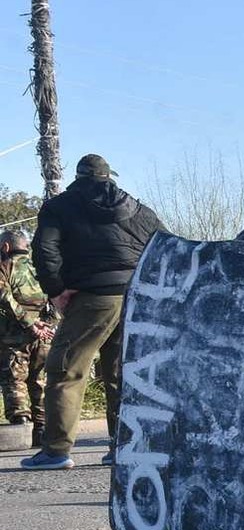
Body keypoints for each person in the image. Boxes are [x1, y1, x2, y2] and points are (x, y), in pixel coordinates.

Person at [23, 155, 165, 469]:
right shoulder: (140, 211)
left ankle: (56, 450)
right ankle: (121, 447)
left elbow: (45, 249)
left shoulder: (60, 207)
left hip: (92, 296)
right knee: (121, 372)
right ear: (108, 177)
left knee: (66, 368)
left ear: (78, 176)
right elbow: (165, 248)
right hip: (135, 297)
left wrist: (55, 288)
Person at [0, 228, 52, 442]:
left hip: (15, 335)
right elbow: (56, 298)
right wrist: (47, 326)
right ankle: (42, 428)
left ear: (5, 247)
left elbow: (4, 297)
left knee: (14, 380)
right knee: (39, 379)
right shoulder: (40, 267)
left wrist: (29, 324)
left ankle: (21, 426)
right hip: (44, 333)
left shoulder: (5, 266)